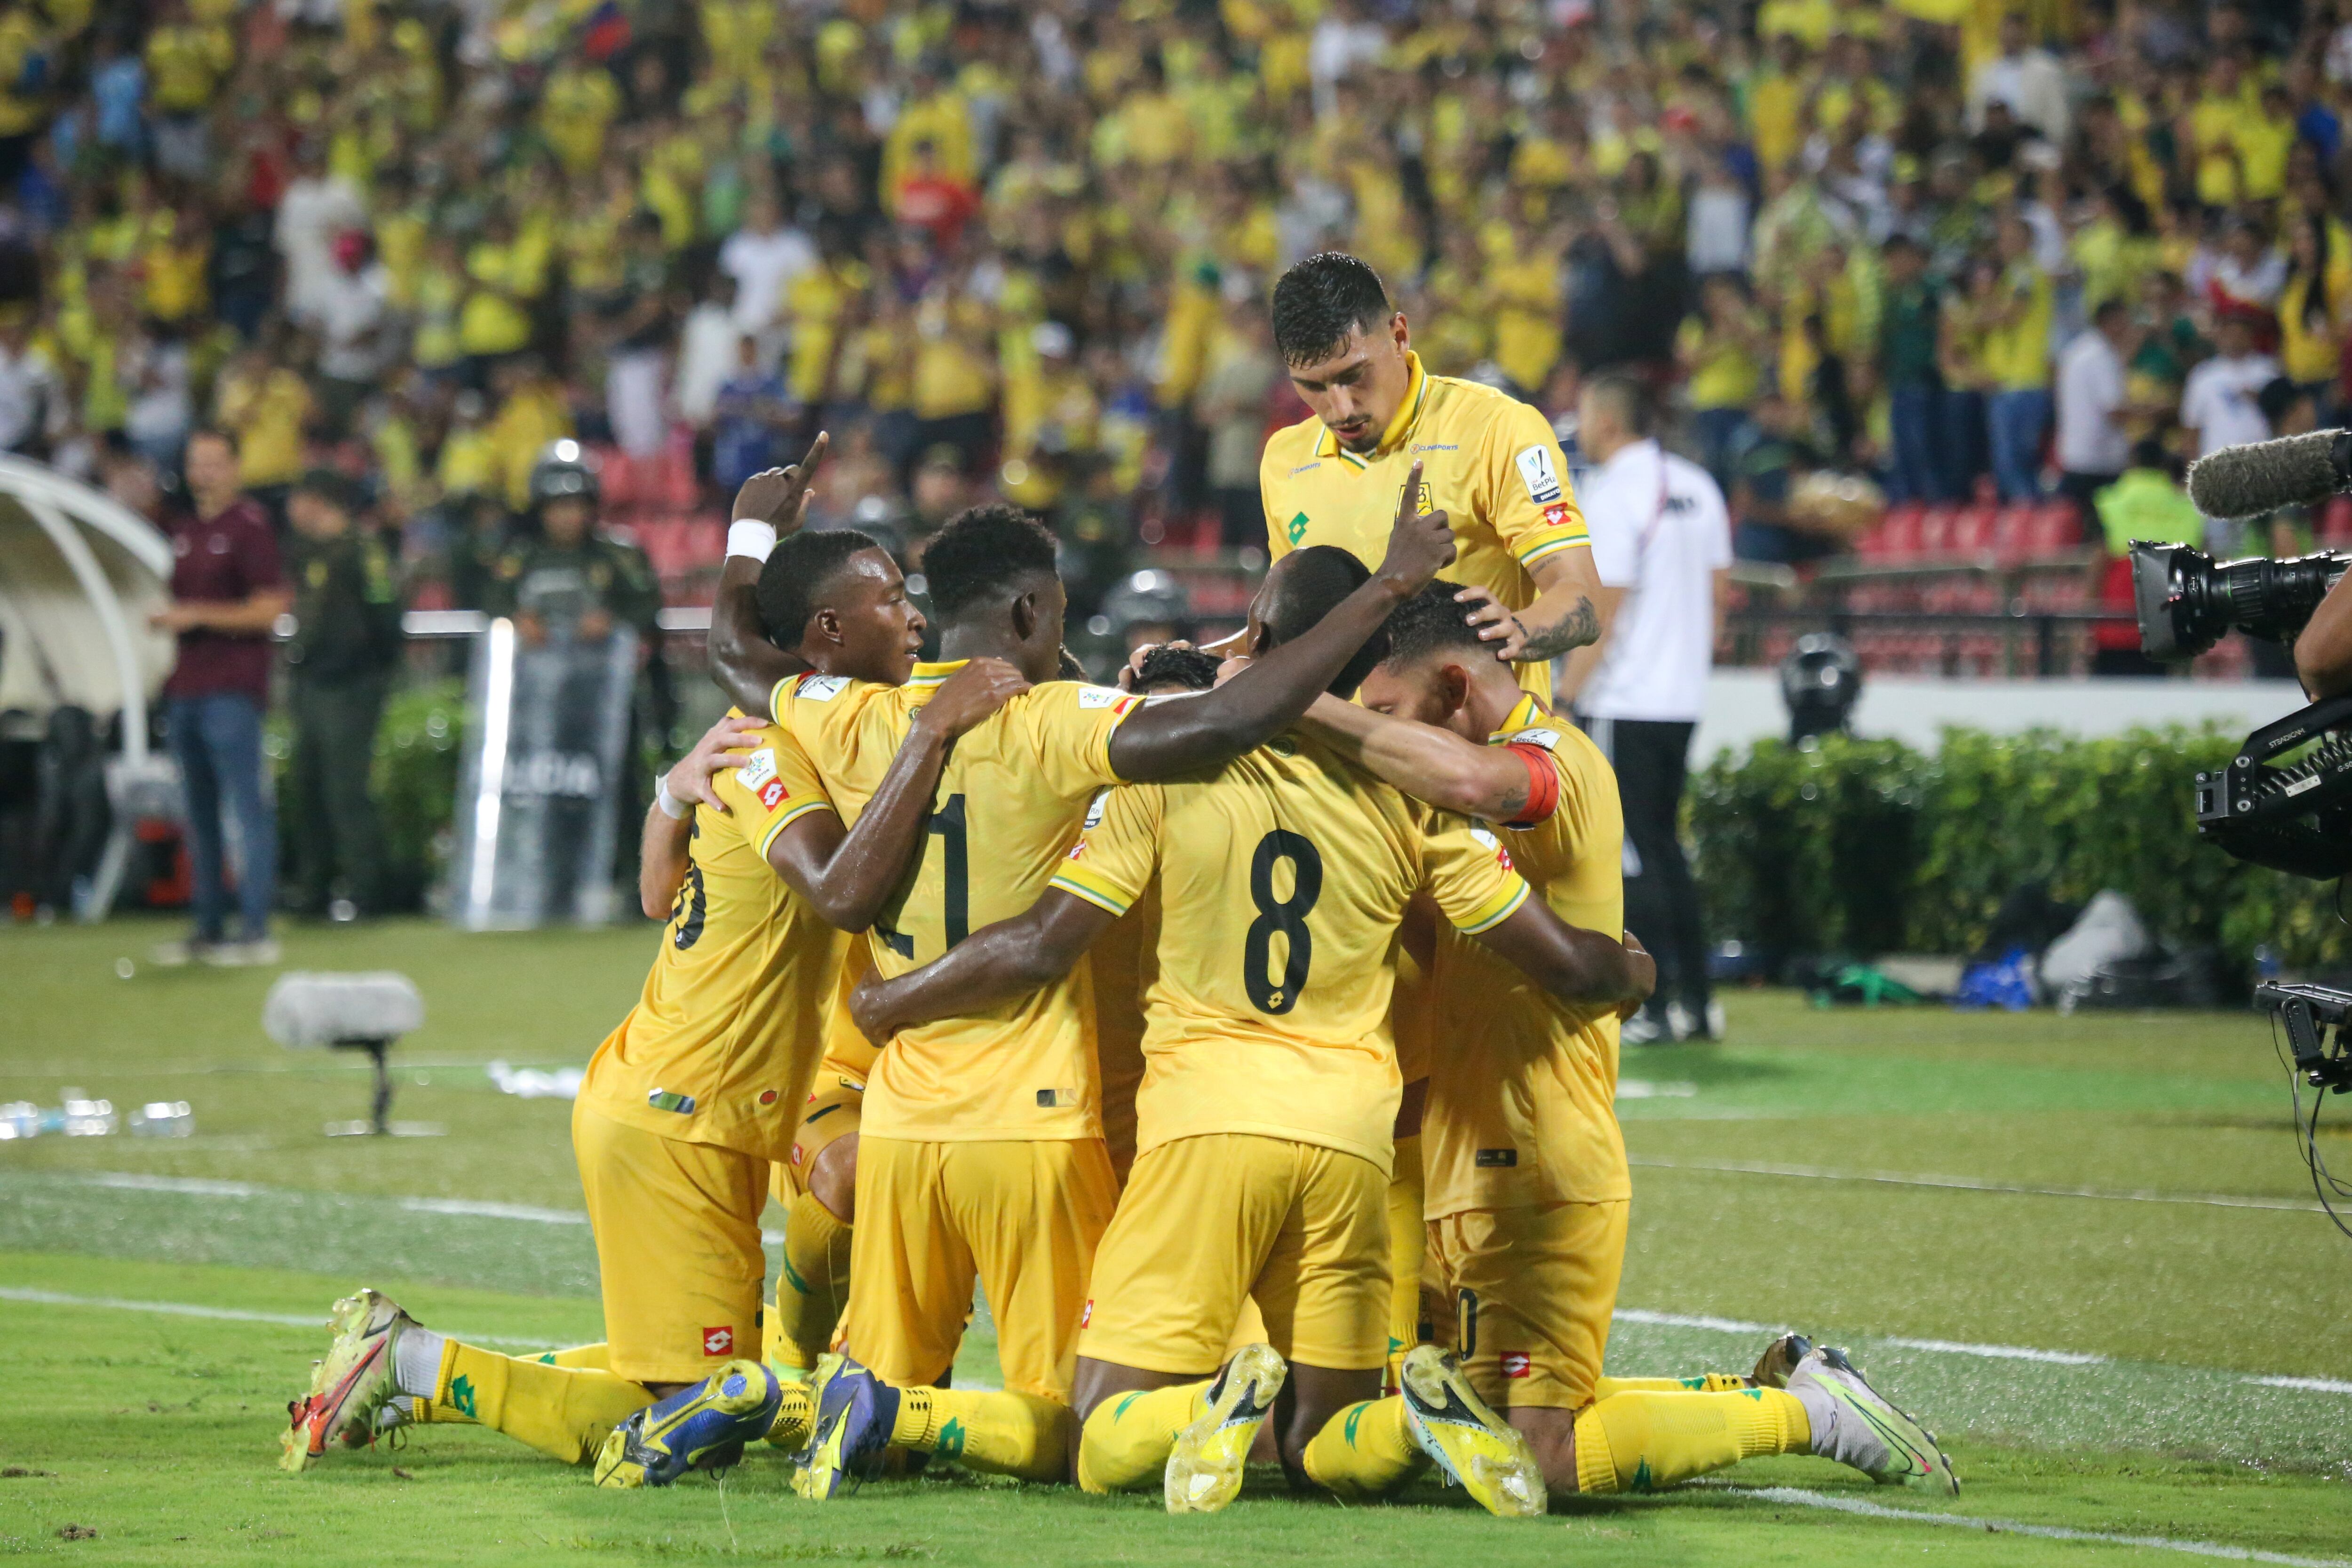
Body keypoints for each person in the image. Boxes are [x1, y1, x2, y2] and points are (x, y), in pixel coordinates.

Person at [825, 548, 1656, 1518]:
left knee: (1100, 1434)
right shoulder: (1411, 801)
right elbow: (1549, 959)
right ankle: (1416, 1425)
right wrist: (1627, 968)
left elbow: (1047, 937)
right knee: (1321, 1446)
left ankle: (1210, 1401)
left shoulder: (1166, 776)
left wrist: (894, 1000)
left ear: (1263, 640)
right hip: (1349, 1137)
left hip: (1206, 1124)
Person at [703, 469, 1457, 1498]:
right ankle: (1285, 1411)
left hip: (904, 1121)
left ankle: (789, 1401)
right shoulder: (1058, 722)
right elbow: (1218, 728)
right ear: (1027, 612)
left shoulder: (847, 715)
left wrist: (750, 533)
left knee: (882, 1399)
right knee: (1080, 1433)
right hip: (1035, 1124)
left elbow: (734, 650)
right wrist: (1388, 589)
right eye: (1055, 614)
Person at [279, 472, 1029, 1488]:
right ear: (822, 635)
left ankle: (422, 1365)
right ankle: (415, 1363)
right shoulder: (772, 750)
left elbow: (653, 890)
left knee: (703, 1375)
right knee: (705, 1411)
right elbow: (841, 891)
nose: (914, 617)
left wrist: (672, 795)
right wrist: (926, 733)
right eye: (891, 598)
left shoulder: (794, 736)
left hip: (703, 1106)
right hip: (681, 1113)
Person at [1294, 581, 1959, 1505]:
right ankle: (1765, 1390)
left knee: (1542, 1461)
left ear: (1453, 687)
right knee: (1475, 1426)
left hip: (1540, 1157)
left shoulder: (1554, 760)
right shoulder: (1441, 802)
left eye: (1387, 712)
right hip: (1464, 1155)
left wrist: (1296, 700)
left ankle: (1812, 1415)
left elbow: (1489, 798)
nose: (1381, 737)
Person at [1256, 251, 1606, 703]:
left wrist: (1518, 630)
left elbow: (1581, 595)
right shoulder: (1284, 459)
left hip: (1478, 744)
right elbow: (1288, 633)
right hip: (1341, 746)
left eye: (1354, 376)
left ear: (1399, 336)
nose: (1340, 409)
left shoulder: (1497, 428)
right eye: (1313, 386)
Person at [1557, 375, 1732, 1045]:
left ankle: (1653, 1008)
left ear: (1605, 420)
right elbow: (1719, 597)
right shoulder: (1699, 486)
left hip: (1625, 698)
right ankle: (1699, 1003)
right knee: (1665, 847)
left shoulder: (1613, 493)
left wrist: (1566, 697)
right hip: (1681, 697)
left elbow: (1603, 610)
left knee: (1631, 854)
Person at [150, 430, 288, 968]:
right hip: (186, 687)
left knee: (246, 808)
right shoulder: (185, 531)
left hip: (232, 688)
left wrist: (199, 616)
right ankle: (207, 928)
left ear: (235, 467)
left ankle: (255, 929)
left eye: (214, 462)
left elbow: (270, 609)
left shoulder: (249, 527)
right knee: (198, 812)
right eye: (197, 462)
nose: (204, 473)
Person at [281, 470, 404, 921]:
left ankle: (367, 891)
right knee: (309, 786)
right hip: (314, 683)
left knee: (346, 789)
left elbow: (386, 615)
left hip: (351, 685)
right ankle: (314, 890)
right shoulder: (313, 552)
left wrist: (369, 671)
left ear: (316, 500)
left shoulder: (362, 550)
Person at [2053, 301, 2141, 513]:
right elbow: (2114, 410)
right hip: (2101, 458)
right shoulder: (2103, 356)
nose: (2128, 329)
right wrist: (2154, 412)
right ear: (2109, 322)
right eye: (2124, 322)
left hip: (2075, 454)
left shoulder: (2076, 350)